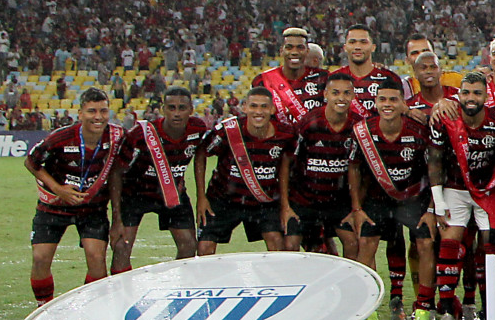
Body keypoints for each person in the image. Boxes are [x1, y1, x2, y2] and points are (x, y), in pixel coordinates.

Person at [427, 71, 495, 320]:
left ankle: (491, 309)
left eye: (477, 93)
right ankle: (446, 309)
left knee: (491, 245)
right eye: (465, 92)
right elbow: (434, 159)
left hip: (489, 191)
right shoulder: (445, 120)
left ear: (486, 95)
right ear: (458, 94)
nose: (470, 98)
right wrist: (438, 200)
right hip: (455, 189)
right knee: (449, 241)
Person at [350, 82, 437, 320]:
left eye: (393, 100)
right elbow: (354, 168)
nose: (387, 104)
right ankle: (367, 312)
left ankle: (422, 308)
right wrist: (357, 208)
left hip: (413, 198)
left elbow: (434, 170)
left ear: (403, 104)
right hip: (378, 199)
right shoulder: (362, 131)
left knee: (425, 243)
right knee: (365, 244)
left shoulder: (419, 131)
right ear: (375, 104)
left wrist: (431, 209)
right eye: (383, 100)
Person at [26, 88, 122, 302]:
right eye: (91, 111)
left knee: (97, 258)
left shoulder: (116, 137)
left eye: (103, 111)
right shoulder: (61, 138)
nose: (98, 117)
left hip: (92, 208)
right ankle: (43, 307)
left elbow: (117, 175)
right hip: (55, 206)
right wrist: (58, 189)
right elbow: (31, 162)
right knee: (40, 258)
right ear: (80, 114)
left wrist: (117, 217)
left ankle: (91, 308)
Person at [109, 85, 203, 272]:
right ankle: (121, 295)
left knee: (189, 245)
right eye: (171, 108)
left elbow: (201, 152)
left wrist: (201, 196)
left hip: (172, 193)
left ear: (191, 110)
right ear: (163, 110)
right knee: (121, 247)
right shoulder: (139, 135)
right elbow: (116, 172)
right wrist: (116, 217)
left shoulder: (197, 128)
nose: (176, 113)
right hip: (136, 193)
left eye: (182, 108)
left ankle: (175, 289)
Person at [193, 86, 294, 256]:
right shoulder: (228, 131)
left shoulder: (285, 134)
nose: (258, 111)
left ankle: (277, 281)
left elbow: (286, 164)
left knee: (277, 242)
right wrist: (201, 197)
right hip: (223, 199)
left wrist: (285, 205)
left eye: (264, 106)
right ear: (244, 107)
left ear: (272, 109)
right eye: (253, 106)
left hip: (263, 202)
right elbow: (202, 152)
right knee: (204, 247)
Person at [280, 71, 361, 262]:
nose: (341, 98)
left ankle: (348, 289)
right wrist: (285, 206)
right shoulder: (309, 123)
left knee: (352, 243)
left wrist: (356, 207)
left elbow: (359, 169)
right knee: (290, 246)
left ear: (353, 95)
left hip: (338, 201)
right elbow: (286, 163)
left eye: (346, 93)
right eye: (335, 93)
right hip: (304, 199)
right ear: (325, 94)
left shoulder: (357, 126)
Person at [253, 26, 324, 128]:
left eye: (300, 47)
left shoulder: (324, 78)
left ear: (307, 51)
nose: (294, 52)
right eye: (289, 47)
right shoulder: (262, 81)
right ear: (281, 51)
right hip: (278, 142)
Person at [334, 24, 406, 118]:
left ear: (373, 47)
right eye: (352, 42)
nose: (357, 47)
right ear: (345, 48)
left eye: (363, 42)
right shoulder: (334, 79)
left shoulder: (389, 78)